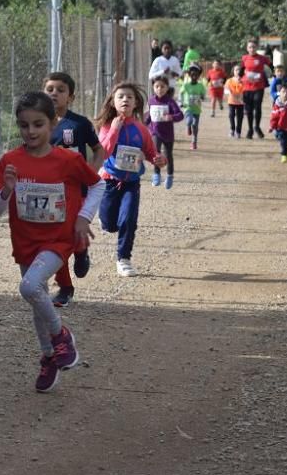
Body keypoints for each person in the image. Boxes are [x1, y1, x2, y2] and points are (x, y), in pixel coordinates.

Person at [0, 92, 104, 393]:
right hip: (25, 243)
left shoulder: (68, 159)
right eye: (24, 125)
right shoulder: (11, 161)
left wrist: (84, 217)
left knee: (28, 287)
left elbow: (97, 184)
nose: (31, 131)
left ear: (53, 124)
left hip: (57, 241)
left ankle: (61, 336)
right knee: (37, 302)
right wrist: (7, 191)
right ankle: (50, 357)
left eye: (38, 124)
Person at [43, 72, 105, 308]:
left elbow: (99, 151)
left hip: (76, 191)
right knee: (55, 239)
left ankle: (81, 251)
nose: (54, 94)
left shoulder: (79, 124)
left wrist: (91, 173)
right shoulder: (39, 125)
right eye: (50, 89)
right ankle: (65, 287)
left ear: (71, 97)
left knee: (73, 235)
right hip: (49, 193)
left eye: (60, 90)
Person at [95, 83, 166, 277]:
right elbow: (104, 153)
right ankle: (108, 221)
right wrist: (114, 130)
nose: (125, 99)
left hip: (132, 182)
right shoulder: (107, 127)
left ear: (136, 103)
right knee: (109, 224)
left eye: (129, 97)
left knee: (129, 218)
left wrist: (159, 159)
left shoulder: (140, 129)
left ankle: (123, 259)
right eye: (121, 96)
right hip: (110, 181)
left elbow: (152, 153)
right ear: (113, 102)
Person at [145, 75, 184, 188]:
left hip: (168, 134)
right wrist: (143, 125)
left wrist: (171, 117)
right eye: (157, 86)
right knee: (156, 153)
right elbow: (149, 117)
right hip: (155, 132)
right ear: (153, 87)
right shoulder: (151, 101)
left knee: (168, 155)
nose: (159, 89)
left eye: (162, 86)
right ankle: (156, 174)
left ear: (167, 88)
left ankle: (170, 175)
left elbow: (180, 115)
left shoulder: (170, 101)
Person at [240, 38, 272, 139]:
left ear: (256, 48)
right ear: (247, 48)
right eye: (250, 47)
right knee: (249, 110)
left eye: (253, 47)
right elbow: (241, 71)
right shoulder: (244, 58)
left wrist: (276, 74)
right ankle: (250, 129)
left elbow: (272, 66)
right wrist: (238, 78)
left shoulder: (262, 58)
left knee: (257, 107)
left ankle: (257, 127)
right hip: (247, 87)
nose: (252, 49)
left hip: (259, 87)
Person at [179, 63, 207, 150]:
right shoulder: (186, 85)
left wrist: (202, 97)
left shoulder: (200, 86)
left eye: (196, 73)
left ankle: (194, 141)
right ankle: (188, 126)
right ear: (189, 74)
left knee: (195, 125)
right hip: (188, 107)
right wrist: (181, 102)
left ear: (199, 75)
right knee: (189, 121)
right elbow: (181, 93)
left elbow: (203, 95)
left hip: (197, 109)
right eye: (192, 72)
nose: (194, 74)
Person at [225, 65, 246, 138]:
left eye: (239, 70)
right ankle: (232, 129)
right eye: (236, 70)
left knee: (240, 117)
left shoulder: (244, 80)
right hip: (232, 101)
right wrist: (229, 92)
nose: (238, 71)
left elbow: (246, 90)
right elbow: (226, 90)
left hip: (240, 102)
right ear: (233, 71)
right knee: (231, 115)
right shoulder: (229, 80)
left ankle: (238, 131)